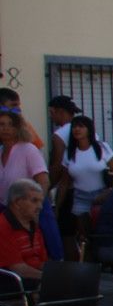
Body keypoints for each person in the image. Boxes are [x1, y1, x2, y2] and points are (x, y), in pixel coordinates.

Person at [0, 109, 58, 259]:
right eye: (1, 124)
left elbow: (43, 180)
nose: (5, 128)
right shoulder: (0, 151)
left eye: (10, 124)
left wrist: (37, 206)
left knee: (46, 250)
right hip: (7, 212)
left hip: (31, 209)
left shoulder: (28, 149)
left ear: (18, 127)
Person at [59, 116, 113, 251]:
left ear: (89, 129)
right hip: (80, 196)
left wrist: (110, 191)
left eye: (81, 126)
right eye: (74, 126)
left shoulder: (101, 148)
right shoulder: (69, 153)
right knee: (84, 236)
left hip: (102, 195)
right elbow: (64, 182)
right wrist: (57, 206)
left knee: (103, 232)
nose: (77, 129)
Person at [0, 179, 48, 287]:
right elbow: (18, 269)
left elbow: (42, 262)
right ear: (17, 203)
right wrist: (49, 277)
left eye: (41, 201)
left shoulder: (34, 225)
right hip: (12, 282)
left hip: (34, 279)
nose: (40, 206)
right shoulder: (3, 226)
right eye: (34, 201)